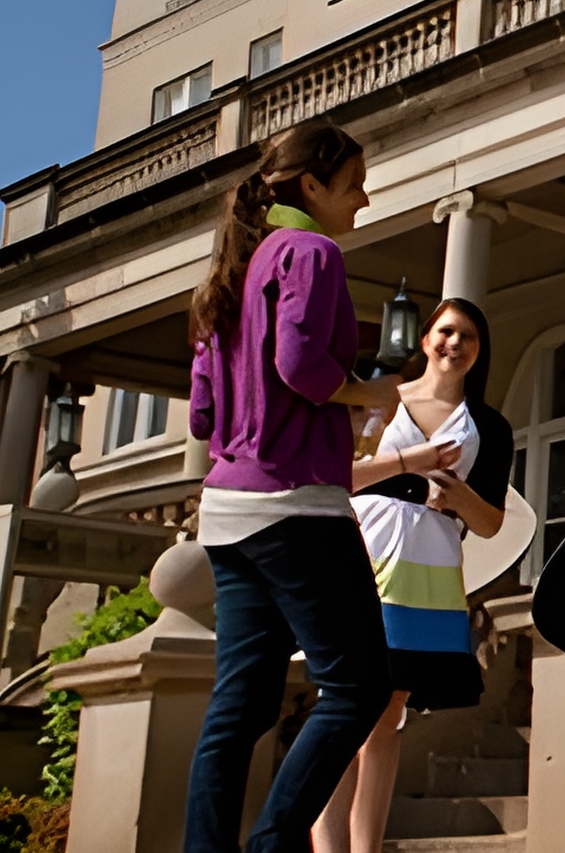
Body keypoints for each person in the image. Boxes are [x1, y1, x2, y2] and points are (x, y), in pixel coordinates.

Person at [183, 123, 405, 853]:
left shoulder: (235, 268)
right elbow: (303, 368)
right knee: (359, 686)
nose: (364, 198)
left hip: (226, 511)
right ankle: (276, 843)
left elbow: (203, 412)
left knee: (238, 709)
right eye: (354, 183)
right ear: (311, 186)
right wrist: (368, 392)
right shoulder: (311, 253)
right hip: (295, 508)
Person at [311, 297, 514, 853]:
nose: (455, 343)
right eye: (446, 332)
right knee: (342, 703)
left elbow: (491, 523)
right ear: (425, 339)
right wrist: (412, 462)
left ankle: (365, 849)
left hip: (430, 565)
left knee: (388, 713)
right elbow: (335, 473)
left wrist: (456, 492)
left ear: (479, 351)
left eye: (468, 336)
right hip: (362, 550)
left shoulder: (490, 428)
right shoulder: (378, 401)